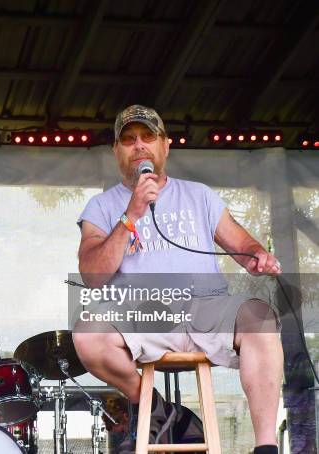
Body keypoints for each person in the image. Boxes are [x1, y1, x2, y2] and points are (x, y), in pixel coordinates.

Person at [72, 105, 283, 454]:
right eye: (128, 140)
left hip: (207, 308)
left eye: (147, 137)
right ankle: (158, 411)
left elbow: (242, 245)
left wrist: (257, 256)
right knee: (87, 334)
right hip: (145, 315)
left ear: (165, 145)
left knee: (260, 317)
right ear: (116, 152)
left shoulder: (198, 195)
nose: (138, 145)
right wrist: (131, 215)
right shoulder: (101, 206)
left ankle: (265, 448)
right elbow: (92, 275)